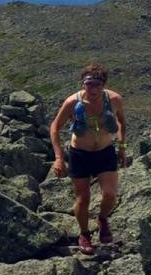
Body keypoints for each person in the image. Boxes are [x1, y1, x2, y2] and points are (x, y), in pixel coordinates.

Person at [49, 63, 127, 254]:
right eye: (88, 84)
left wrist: (122, 148)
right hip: (80, 154)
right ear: (83, 84)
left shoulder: (114, 100)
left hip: (105, 151)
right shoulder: (72, 103)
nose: (93, 89)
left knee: (109, 195)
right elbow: (54, 128)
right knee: (83, 199)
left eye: (97, 85)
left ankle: (102, 219)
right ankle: (84, 234)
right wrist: (59, 158)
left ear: (104, 85)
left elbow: (122, 122)